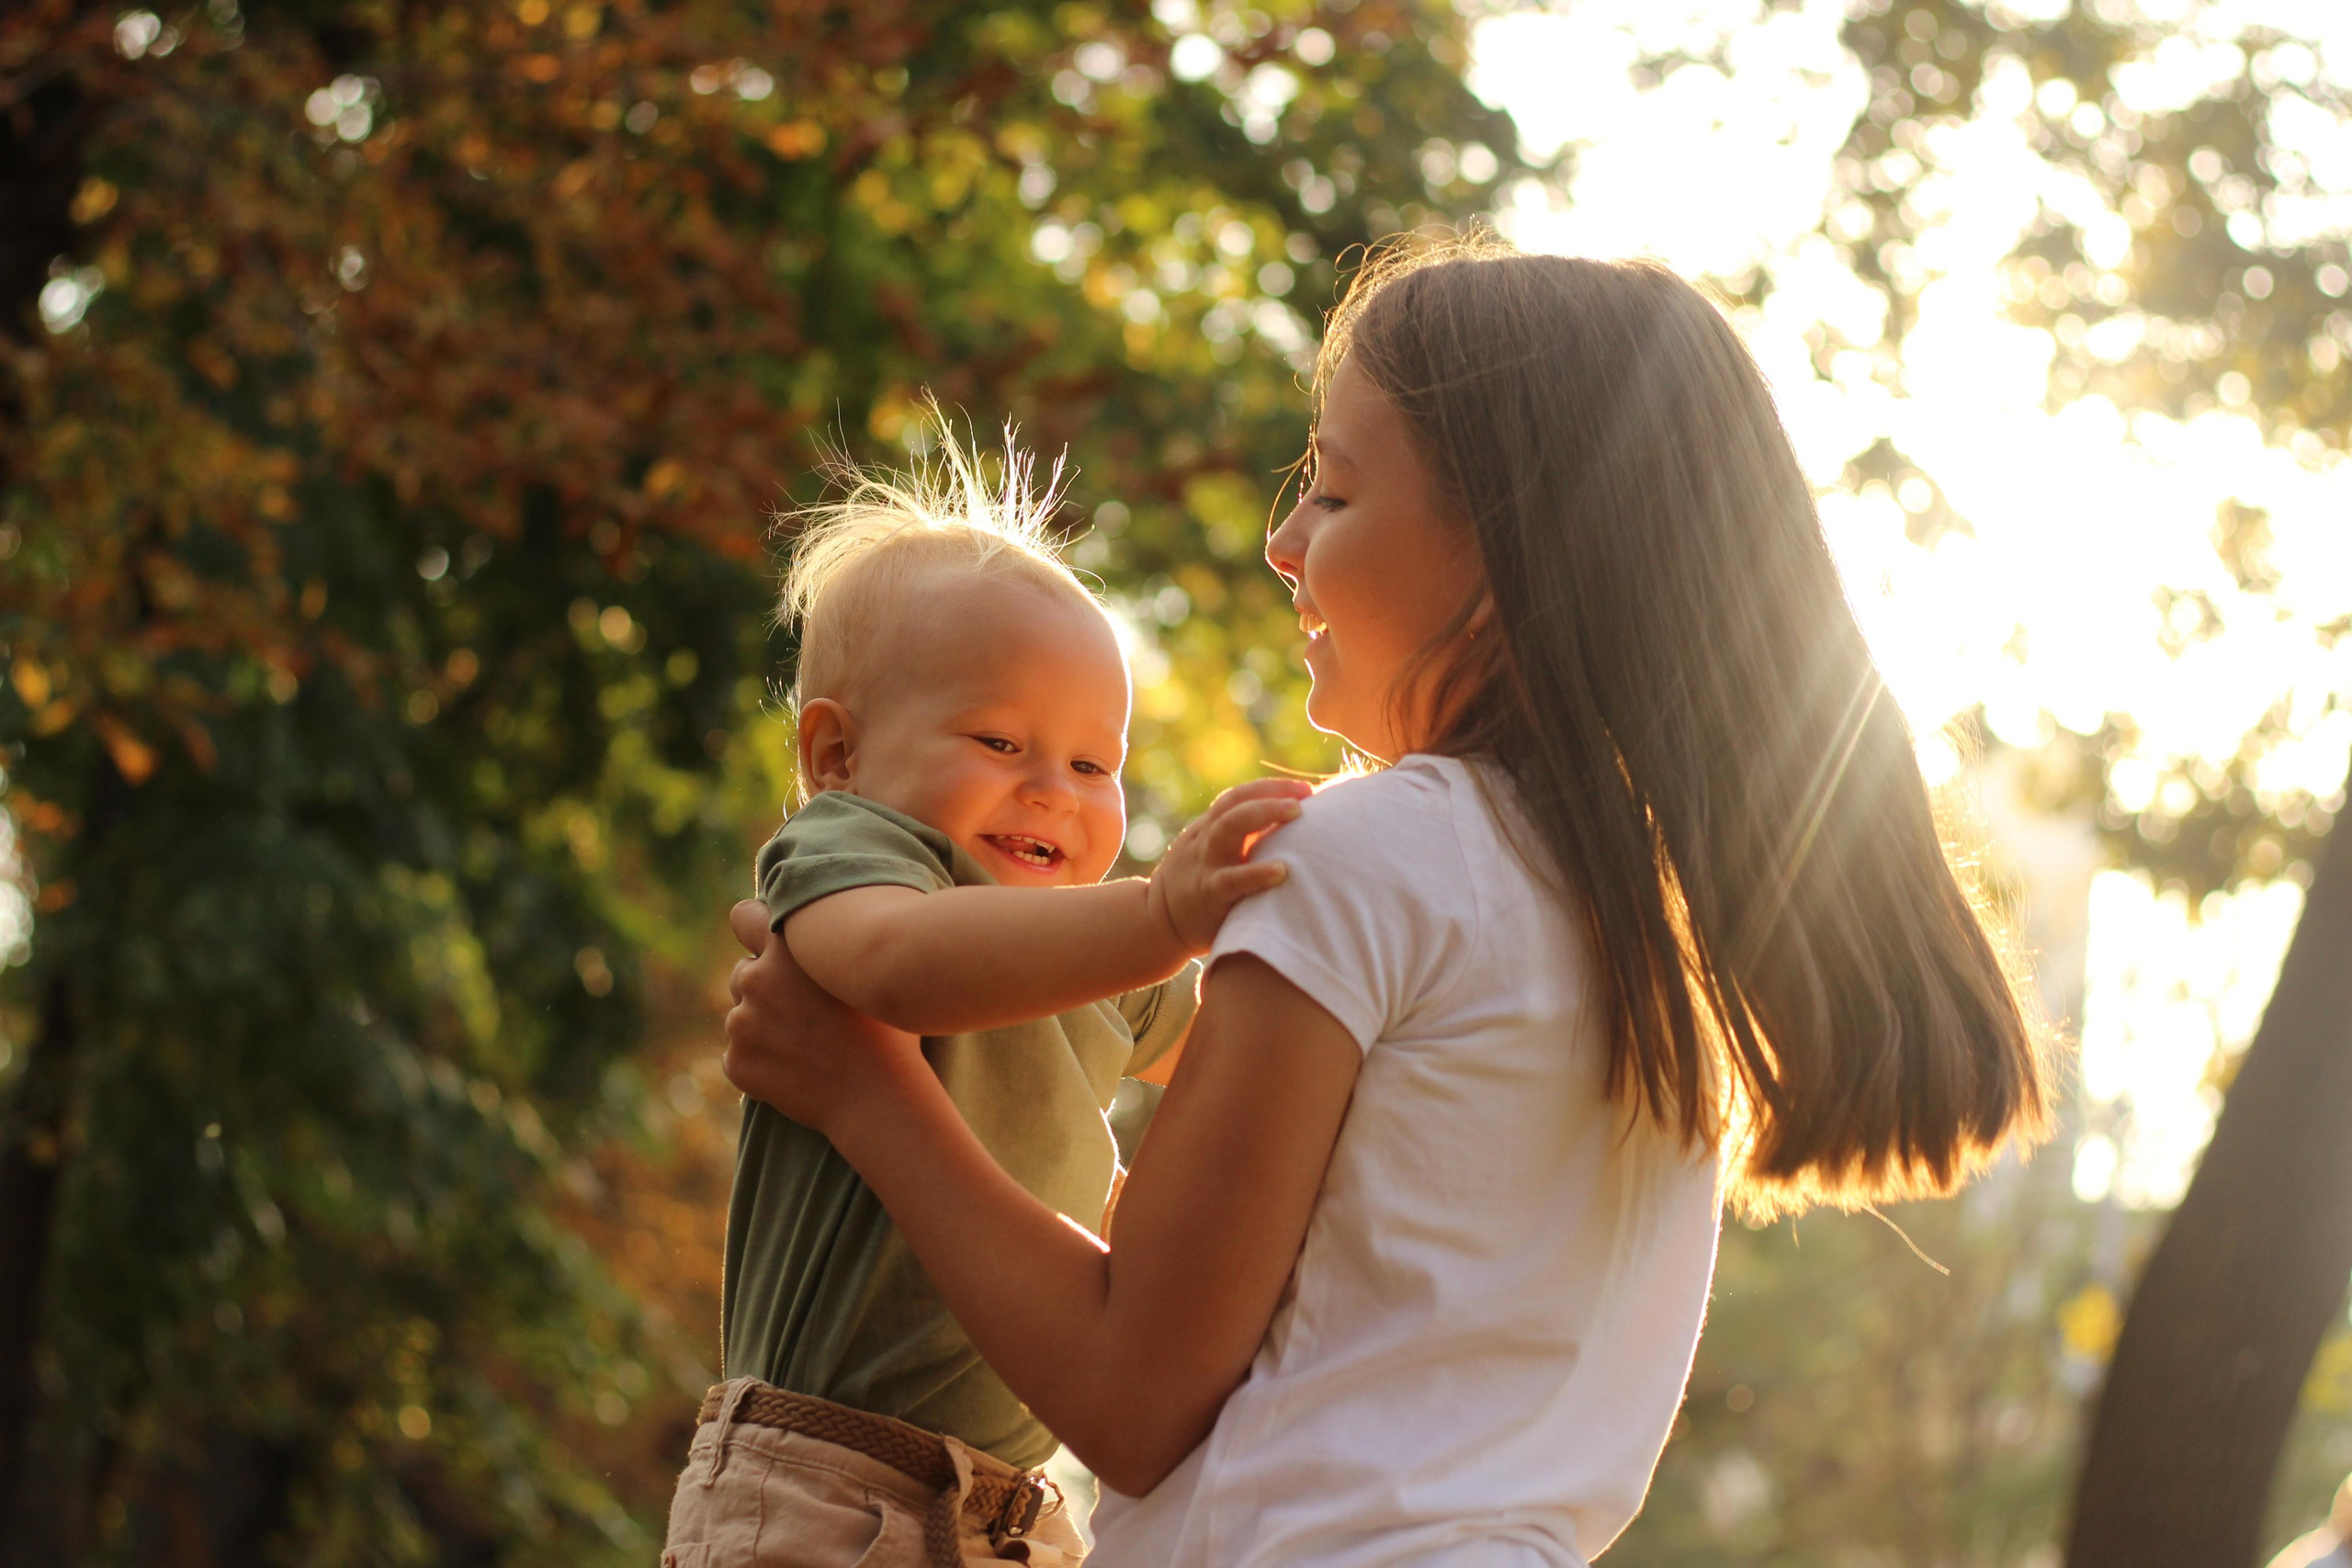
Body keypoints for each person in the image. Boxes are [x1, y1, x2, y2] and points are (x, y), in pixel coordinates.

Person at [722, 235, 2054, 1567]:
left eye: (1339, 494)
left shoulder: (1354, 858)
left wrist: (862, 1088)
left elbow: (1130, 1396)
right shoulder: (1656, 935)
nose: (1282, 540)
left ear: (1512, 545)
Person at [662, 425, 1307, 1568]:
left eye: (1093, 765)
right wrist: (1162, 916)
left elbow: (1248, 1050)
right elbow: (896, 963)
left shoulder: (1092, 957)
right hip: (818, 1483)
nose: (1053, 794)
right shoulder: (855, 857)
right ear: (837, 755)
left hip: (1009, 1512)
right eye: (1002, 740)